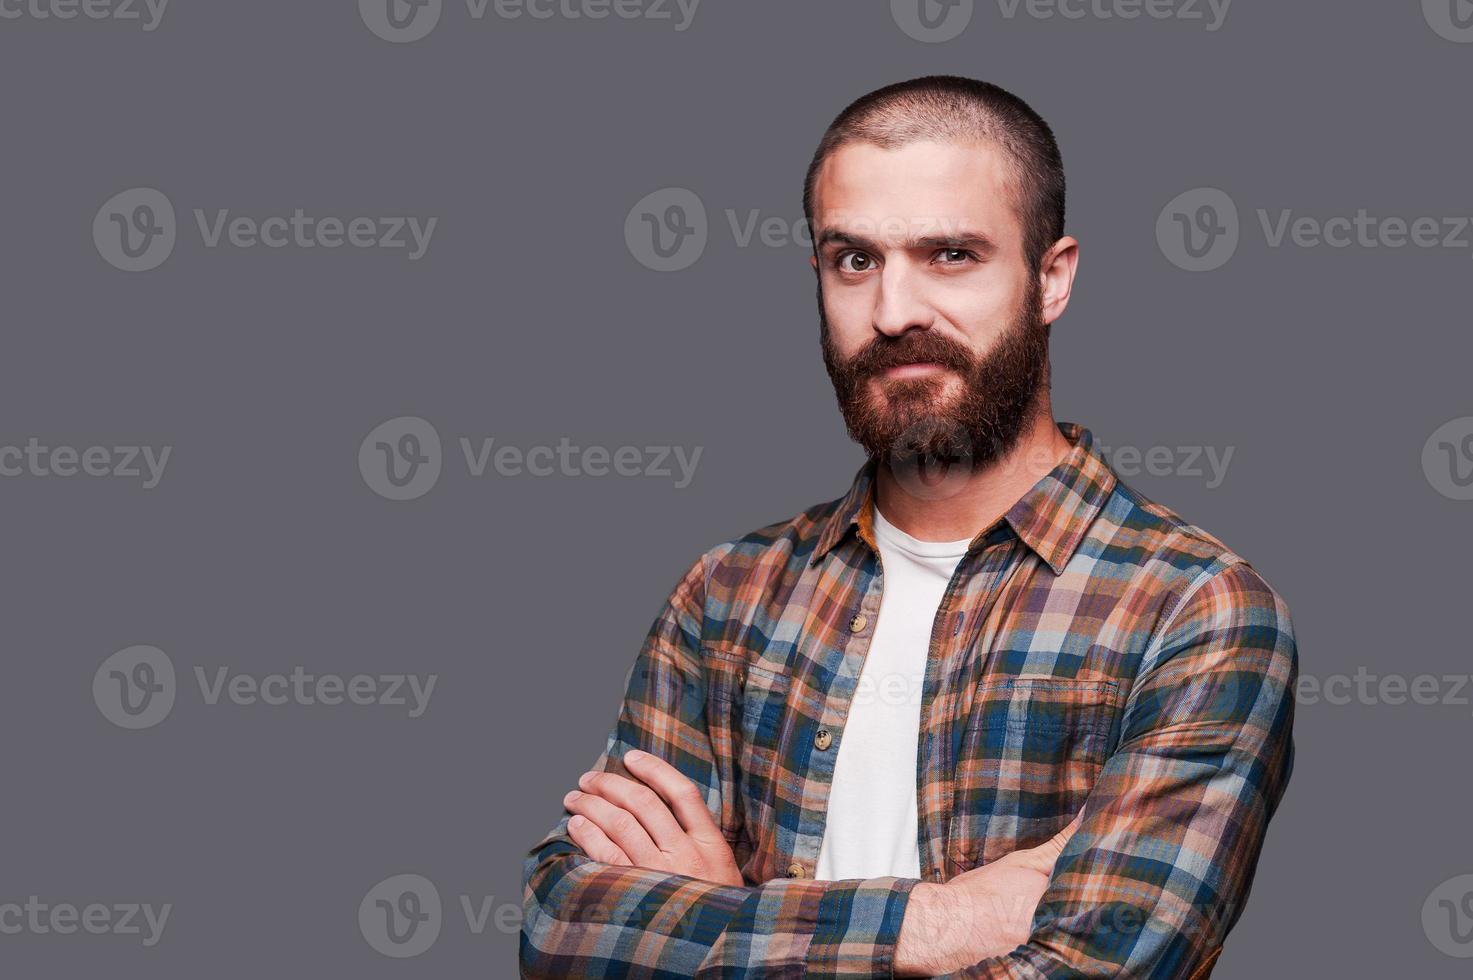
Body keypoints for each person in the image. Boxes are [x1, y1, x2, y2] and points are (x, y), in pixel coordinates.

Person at [519, 75, 1296, 978]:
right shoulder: (729, 593)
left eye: (950, 256)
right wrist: (939, 920)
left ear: (1051, 279)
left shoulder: (1194, 612)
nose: (893, 314)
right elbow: (560, 932)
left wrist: (720, 922)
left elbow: (1091, 970)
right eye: (854, 260)